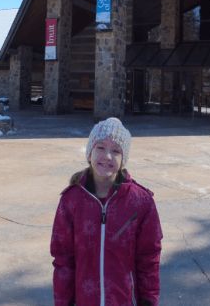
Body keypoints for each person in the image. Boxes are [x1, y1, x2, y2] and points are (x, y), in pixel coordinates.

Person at [50, 117, 163, 306]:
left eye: (116, 151)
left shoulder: (141, 202)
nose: (107, 156)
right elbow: (63, 261)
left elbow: (149, 258)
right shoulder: (70, 201)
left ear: (123, 159)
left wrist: (149, 301)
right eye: (100, 148)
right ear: (89, 154)